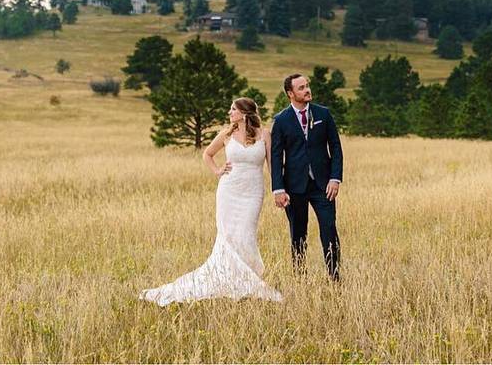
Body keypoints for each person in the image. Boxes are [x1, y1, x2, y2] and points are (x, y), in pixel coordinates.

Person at [140, 97, 283, 306]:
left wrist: (278, 189)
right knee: (228, 235)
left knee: (246, 233)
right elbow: (207, 154)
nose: (229, 112)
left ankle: (246, 277)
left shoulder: (265, 135)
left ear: (244, 113)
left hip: (252, 193)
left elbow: (272, 165)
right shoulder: (226, 134)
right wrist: (217, 170)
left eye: (233, 109)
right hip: (229, 191)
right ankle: (230, 279)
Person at [270, 73, 343, 280]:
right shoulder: (281, 120)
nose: (307, 90)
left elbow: (336, 147)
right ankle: (300, 278)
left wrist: (335, 178)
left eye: (307, 86)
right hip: (294, 187)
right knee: (298, 234)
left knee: (329, 230)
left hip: (324, 186)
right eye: (301, 88)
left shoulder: (324, 114)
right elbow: (276, 156)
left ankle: (334, 277)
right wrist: (278, 189)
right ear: (290, 93)